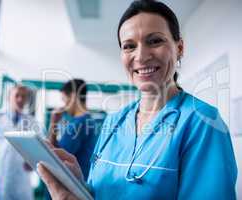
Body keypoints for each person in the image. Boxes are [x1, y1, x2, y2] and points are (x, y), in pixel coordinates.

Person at [36, 0, 238, 199]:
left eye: (155, 41)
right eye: (129, 46)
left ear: (180, 48)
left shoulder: (203, 123)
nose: (141, 56)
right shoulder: (114, 122)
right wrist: (79, 187)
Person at [0, 85, 36, 200]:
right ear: (9, 97)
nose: (20, 99)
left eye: (23, 97)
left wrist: (33, 162)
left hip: (21, 176)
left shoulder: (31, 122)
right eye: (17, 95)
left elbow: (38, 148)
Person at [48, 79, 97, 180]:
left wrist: (53, 123)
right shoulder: (89, 120)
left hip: (73, 184)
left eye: (64, 99)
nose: (64, 105)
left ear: (73, 96)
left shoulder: (78, 124)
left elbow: (56, 155)